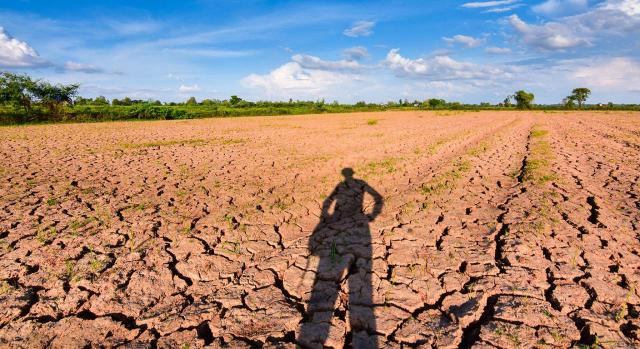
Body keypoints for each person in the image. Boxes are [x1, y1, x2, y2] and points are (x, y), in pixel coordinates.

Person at [299, 167, 383, 348]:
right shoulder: (360, 183)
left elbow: (328, 202)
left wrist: (325, 217)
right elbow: (377, 198)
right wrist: (372, 215)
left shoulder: (347, 184)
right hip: (357, 225)